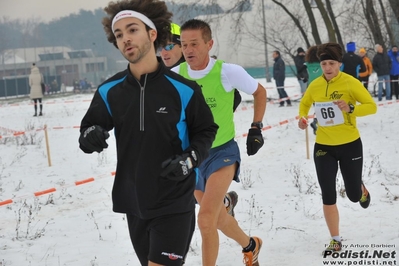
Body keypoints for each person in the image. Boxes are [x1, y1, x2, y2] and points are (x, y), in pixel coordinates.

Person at [78, 2, 218, 265]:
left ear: (152, 34)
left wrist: (189, 160)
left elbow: (206, 131)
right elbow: (89, 130)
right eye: (119, 34)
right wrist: (90, 135)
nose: (125, 38)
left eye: (132, 30)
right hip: (134, 202)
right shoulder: (110, 91)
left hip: (174, 200)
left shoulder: (183, 89)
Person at [172, 19, 267, 266]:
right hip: (192, 158)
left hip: (222, 153)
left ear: (209, 43)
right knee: (216, 217)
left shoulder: (227, 71)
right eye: (184, 45)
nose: (189, 50)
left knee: (205, 219)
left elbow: (259, 92)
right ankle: (250, 245)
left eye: (194, 43)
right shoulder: (174, 77)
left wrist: (256, 127)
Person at [298, 42, 377, 254]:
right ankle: (335, 239)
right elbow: (305, 104)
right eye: (324, 63)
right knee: (327, 193)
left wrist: (351, 108)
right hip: (324, 146)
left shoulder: (350, 83)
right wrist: (303, 118)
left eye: (332, 63)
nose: (327, 67)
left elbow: (372, 106)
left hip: (350, 144)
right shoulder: (315, 85)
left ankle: (359, 188)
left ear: (339, 64)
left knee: (352, 195)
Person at [305, 45, 322, 135]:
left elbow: (304, 74)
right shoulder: (322, 64)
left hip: (312, 89)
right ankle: (316, 121)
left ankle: (316, 122)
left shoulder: (307, 65)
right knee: (323, 107)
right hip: (322, 87)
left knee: (317, 106)